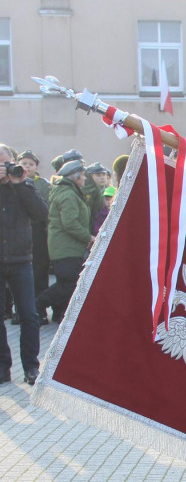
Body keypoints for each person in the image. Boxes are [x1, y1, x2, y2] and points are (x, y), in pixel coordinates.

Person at [0, 144, 48, 385]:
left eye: (6, 163)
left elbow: (41, 213)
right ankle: (2, 367)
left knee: (29, 314)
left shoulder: (24, 186)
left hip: (21, 260)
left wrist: (18, 184)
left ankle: (31, 366)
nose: (3, 169)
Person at [37, 158, 91, 327]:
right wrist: (88, 237)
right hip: (66, 248)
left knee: (68, 284)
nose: (84, 179)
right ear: (74, 176)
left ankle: (61, 316)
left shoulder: (69, 192)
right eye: (82, 175)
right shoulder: (68, 194)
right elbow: (70, 223)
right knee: (68, 285)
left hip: (67, 247)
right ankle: (36, 306)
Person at [17, 150, 51, 322]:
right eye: (24, 163)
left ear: (36, 167)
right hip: (19, 231)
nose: (27, 167)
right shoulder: (11, 182)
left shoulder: (43, 184)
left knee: (39, 272)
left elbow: (45, 209)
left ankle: (41, 311)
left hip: (38, 231)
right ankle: (19, 312)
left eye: (30, 164)